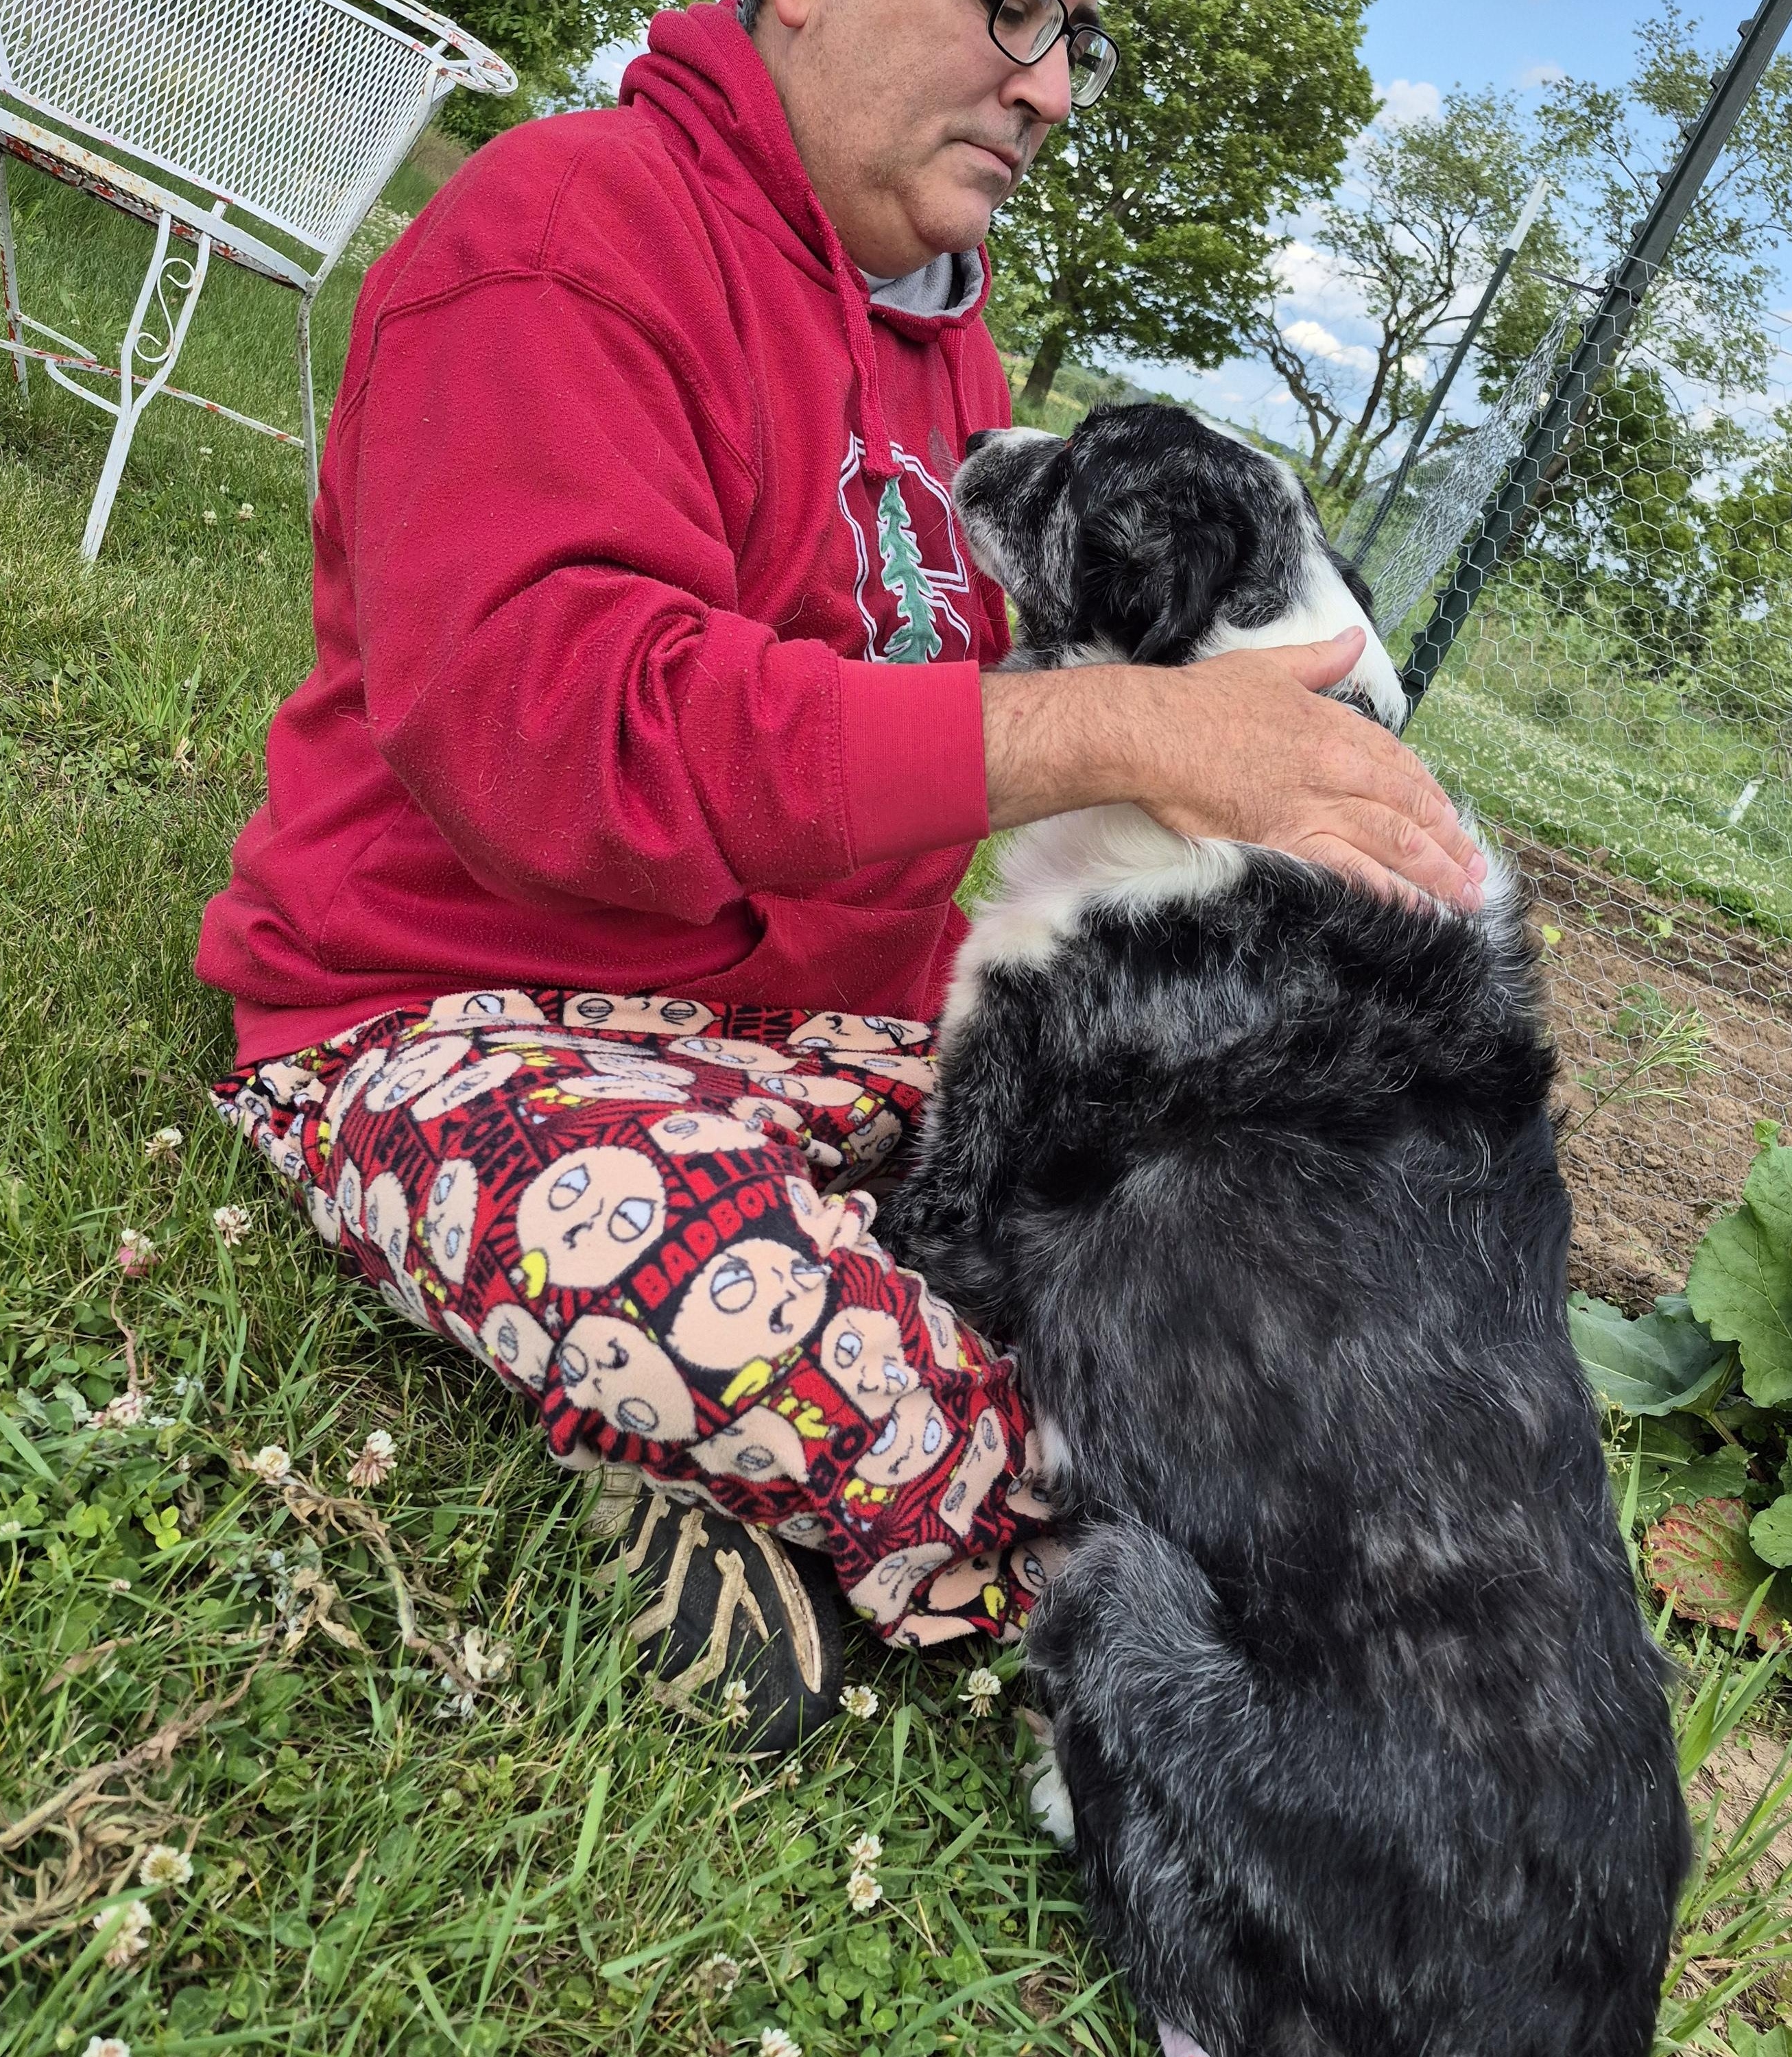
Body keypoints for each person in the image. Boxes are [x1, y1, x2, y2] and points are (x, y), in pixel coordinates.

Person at [198, 0, 1487, 1749]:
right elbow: (564, 740)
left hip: (823, 1032)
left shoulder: (949, 360)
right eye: (1015, 9)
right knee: (722, 1282)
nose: (1050, 86)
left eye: (1080, 37)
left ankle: (815, 1463)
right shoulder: (563, 235)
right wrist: (1124, 727)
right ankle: (1201, 1586)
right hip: (458, 1017)